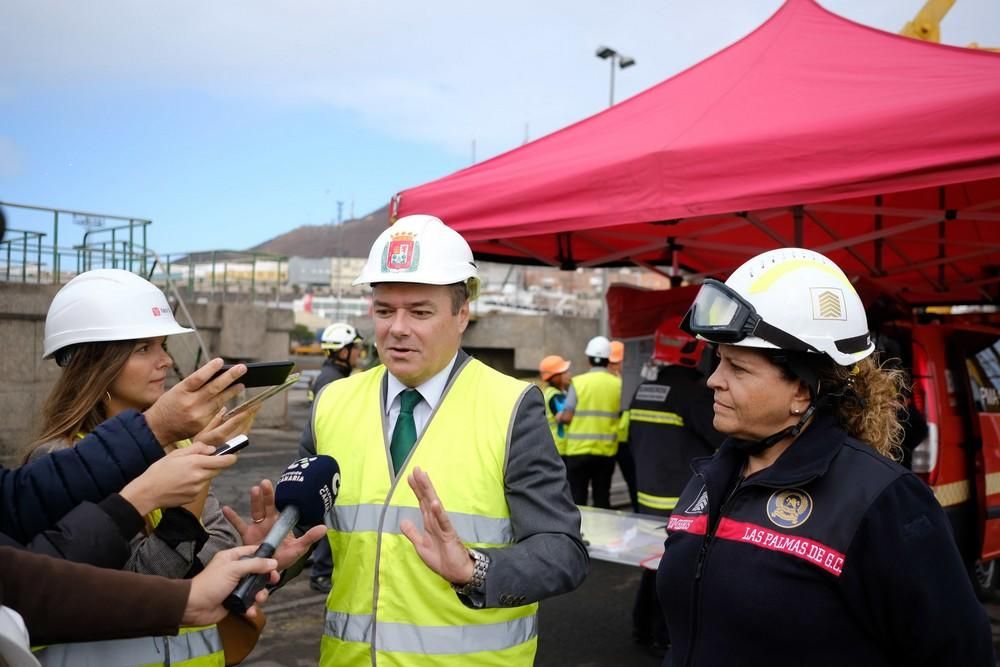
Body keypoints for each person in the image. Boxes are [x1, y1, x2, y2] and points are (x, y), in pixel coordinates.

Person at [657, 247, 994, 665]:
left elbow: (958, 652)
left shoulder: (884, 501)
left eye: (738, 369)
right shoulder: (711, 476)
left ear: (803, 389)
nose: (713, 381)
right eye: (719, 361)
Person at [307, 214, 587, 666]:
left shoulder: (512, 406)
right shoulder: (331, 404)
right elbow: (305, 532)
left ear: (462, 314)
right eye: (383, 310)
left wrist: (476, 570)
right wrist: (275, 553)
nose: (397, 328)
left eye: (419, 311)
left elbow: (563, 551)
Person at [625, 318, 723, 657]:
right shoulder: (694, 396)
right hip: (681, 501)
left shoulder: (642, 392)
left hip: (646, 497)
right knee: (678, 571)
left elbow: (630, 443)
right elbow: (724, 440)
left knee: (651, 566)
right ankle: (664, 636)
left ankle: (641, 627)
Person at [300, 321, 364, 593]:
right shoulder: (333, 380)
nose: (360, 353)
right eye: (356, 348)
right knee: (334, 517)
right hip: (334, 456)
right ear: (342, 351)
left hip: (329, 454)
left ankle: (318, 563)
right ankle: (322, 574)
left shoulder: (331, 375)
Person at [559, 335, 622, 508]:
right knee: (602, 499)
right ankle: (603, 534)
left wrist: (560, 418)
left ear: (589, 359)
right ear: (608, 359)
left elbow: (568, 416)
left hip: (578, 452)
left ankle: (579, 535)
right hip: (605, 452)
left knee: (577, 501)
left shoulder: (578, 382)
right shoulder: (618, 384)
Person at [538, 354, 572, 460]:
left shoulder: (557, 393)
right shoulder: (555, 396)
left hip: (559, 446)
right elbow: (563, 416)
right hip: (561, 447)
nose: (569, 374)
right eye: (565, 372)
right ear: (555, 377)